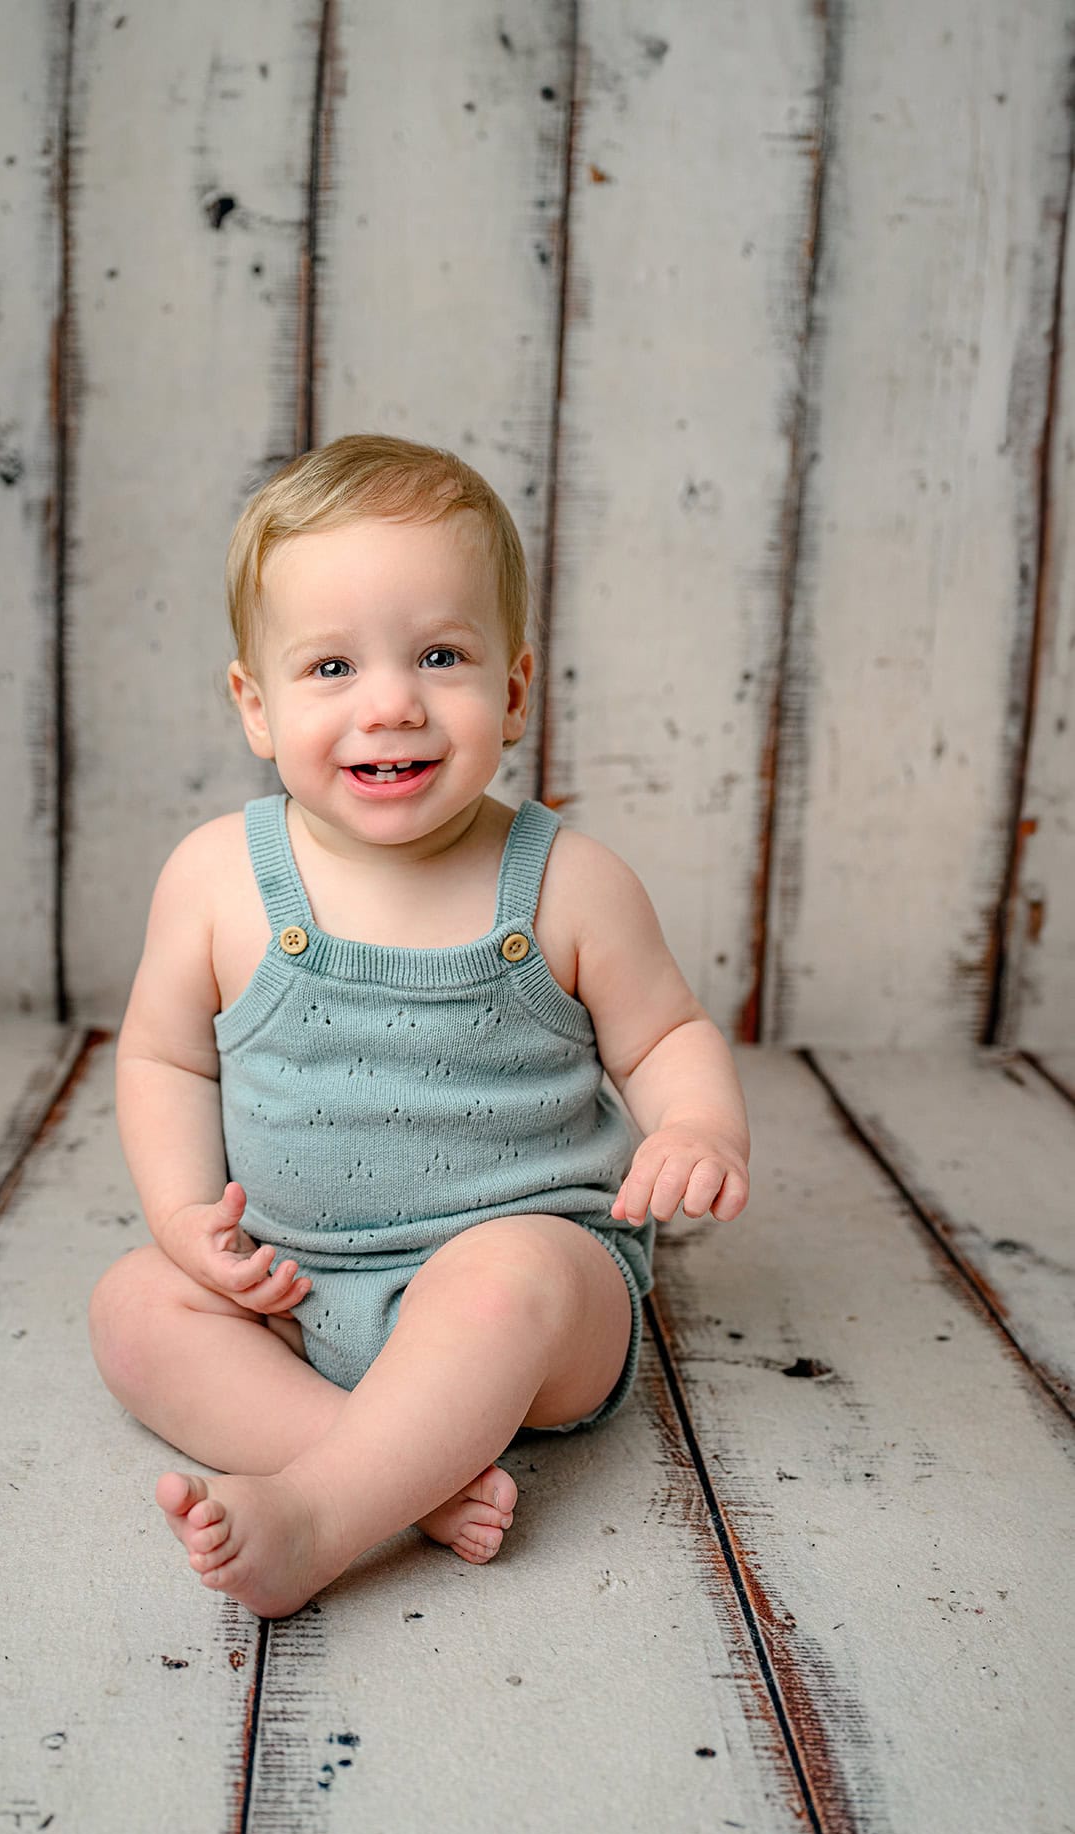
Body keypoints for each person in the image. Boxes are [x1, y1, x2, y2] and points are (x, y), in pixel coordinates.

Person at [88, 433, 750, 1620]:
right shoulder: (214, 880)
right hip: (290, 1288)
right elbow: (163, 1056)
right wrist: (188, 1219)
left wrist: (696, 1123)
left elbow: (662, 1036)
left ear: (510, 687)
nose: (389, 701)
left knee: (506, 1276)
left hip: (529, 1294)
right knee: (133, 1309)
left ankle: (322, 1515)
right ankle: (399, 1464)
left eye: (438, 654)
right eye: (331, 666)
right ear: (255, 703)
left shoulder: (566, 881)